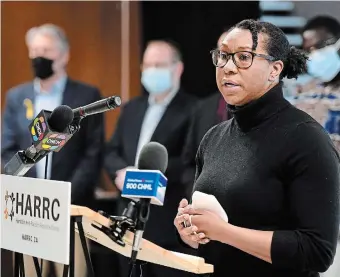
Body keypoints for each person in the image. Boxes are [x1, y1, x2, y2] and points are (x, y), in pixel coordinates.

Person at [174, 19, 340, 277]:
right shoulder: (213, 138)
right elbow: (209, 240)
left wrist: (223, 232)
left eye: (243, 57)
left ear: (275, 70)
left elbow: (317, 251)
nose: (227, 68)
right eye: (223, 56)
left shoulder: (306, 138)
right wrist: (191, 232)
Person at [1, 23, 104, 277]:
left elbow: (93, 153)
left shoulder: (86, 96)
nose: (38, 56)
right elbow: (7, 148)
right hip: (29, 209)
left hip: (71, 209)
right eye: (33, 50)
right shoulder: (16, 96)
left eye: (45, 49)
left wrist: (65, 195)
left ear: (64, 55)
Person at [104, 40, 197, 277]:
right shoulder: (132, 108)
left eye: (159, 64)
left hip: (167, 223)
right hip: (127, 219)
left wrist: (145, 177)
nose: (151, 70)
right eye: (147, 65)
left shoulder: (194, 110)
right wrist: (120, 173)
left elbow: (191, 161)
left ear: (177, 69)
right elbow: (111, 151)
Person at [284, 15, 340, 277]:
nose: (312, 55)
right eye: (307, 50)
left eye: (318, 48)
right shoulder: (301, 91)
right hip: (308, 206)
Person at [182, 30, 232, 190]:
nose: (228, 64)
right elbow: (189, 164)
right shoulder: (202, 108)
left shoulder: (264, 109)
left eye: (239, 56)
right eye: (222, 55)